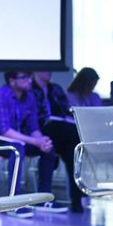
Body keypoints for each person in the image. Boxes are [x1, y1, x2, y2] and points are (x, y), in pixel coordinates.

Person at [0, 72, 64, 218]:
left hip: (12, 138)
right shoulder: (1, 95)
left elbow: (33, 128)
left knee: (48, 149)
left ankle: (43, 199)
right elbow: (5, 130)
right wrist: (35, 141)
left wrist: (42, 140)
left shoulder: (29, 96)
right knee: (16, 150)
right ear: (12, 81)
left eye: (29, 77)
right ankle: (12, 203)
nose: (29, 81)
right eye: (24, 78)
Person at [31, 71, 83, 213]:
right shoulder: (29, 89)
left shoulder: (56, 89)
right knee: (70, 137)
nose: (50, 72)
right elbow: (32, 118)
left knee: (71, 149)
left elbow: (65, 110)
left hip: (59, 132)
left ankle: (76, 199)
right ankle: (77, 197)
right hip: (39, 131)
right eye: (46, 68)